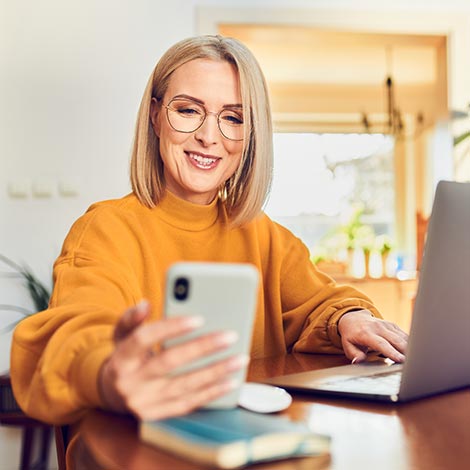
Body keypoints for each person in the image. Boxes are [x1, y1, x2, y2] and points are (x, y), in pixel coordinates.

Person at [11, 35, 407, 430]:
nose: (209, 136)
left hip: (246, 439)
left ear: (250, 134)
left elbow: (322, 302)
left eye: (232, 117)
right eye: (188, 110)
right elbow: (72, 335)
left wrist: (349, 319)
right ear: (155, 115)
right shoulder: (104, 230)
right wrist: (110, 371)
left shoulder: (264, 236)